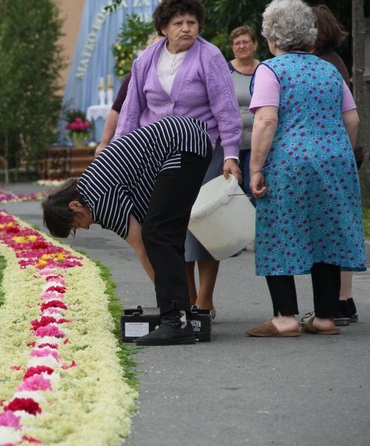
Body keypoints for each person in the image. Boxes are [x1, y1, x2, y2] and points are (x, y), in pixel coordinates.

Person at [111, 0, 243, 318]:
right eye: (179, 23)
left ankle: (205, 300)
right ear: (164, 28)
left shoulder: (209, 56)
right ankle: (187, 297)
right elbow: (130, 111)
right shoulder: (145, 60)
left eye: (192, 22)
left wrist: (231, 154)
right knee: (171, 226)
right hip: (159, 153)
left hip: (202, 151)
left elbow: (226, 107)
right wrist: (120, 154)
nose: (186, 28)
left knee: (205, 224)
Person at [245, 0, 364, 337]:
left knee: (278, 231)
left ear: (272, 37)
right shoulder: (329, 70)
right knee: (326, 233)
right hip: (336, 160)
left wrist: (255, 168)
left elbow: (266, 120)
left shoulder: (271, 70)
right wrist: (340, 150)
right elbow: (352, 119)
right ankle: (325, 317)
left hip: (290, 161)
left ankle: (285, 318)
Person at [43, 115, 211, 345]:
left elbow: (142, 245)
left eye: (75, 225)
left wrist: (167, 300)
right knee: (164, 233)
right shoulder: (91, 185)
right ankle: (178, 314)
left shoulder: (98, 199)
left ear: (75, 206)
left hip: (182, 146)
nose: (86, 226)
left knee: (157, 233)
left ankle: (175, 321)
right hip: (187, 140)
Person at [308, 4, 361, 325]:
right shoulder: (334, 62)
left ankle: (341, 302)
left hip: (333, 153)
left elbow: (347, 117)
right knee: (339, 224)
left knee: (333, 229)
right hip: (342, 152)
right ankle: (345, 300)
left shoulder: (325, 65)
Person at [228, 26, 260, 201]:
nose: (241, 46)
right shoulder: (225, 71)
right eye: (237, 43)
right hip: (232, 144)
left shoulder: (265, 69)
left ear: (254, 44)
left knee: (253, 186)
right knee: (234, 191)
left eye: (245, 41)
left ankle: (256, 226)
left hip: (258, 142)